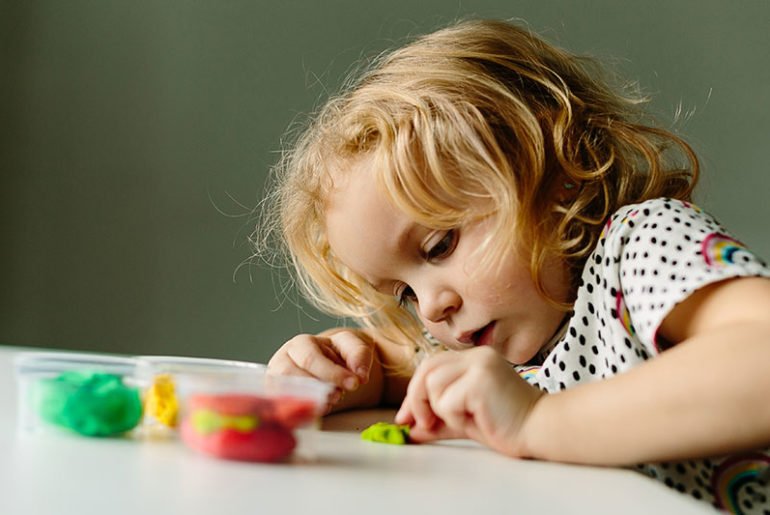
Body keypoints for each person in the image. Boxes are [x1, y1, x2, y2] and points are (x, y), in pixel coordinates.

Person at [256, 19, 770, 512]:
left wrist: (540, 421)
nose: (433, 306)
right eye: (404, 294)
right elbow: (407, 366)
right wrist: (348, 365)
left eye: (439, 247)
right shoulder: (498, 341)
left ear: (553, 168)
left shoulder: (639, 246)